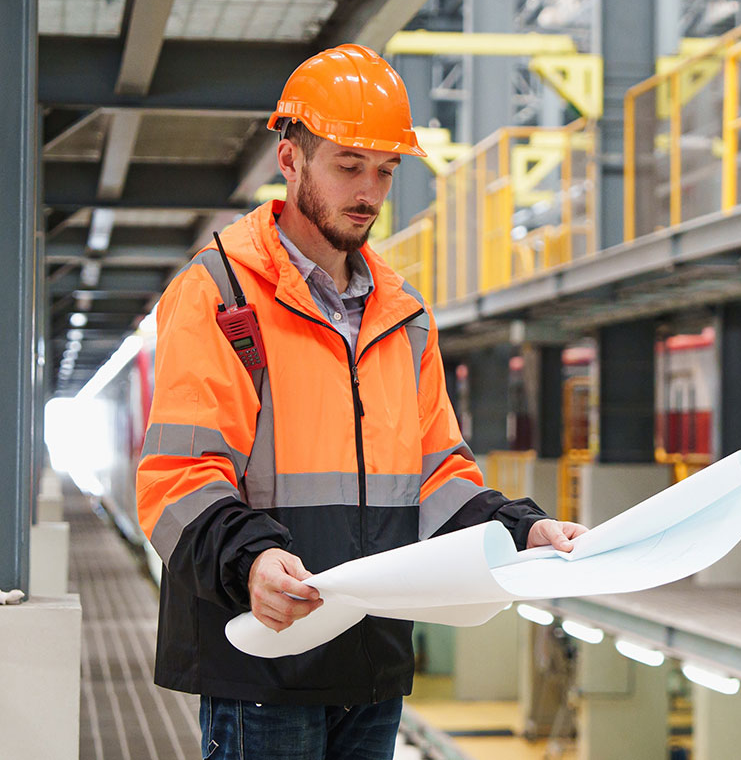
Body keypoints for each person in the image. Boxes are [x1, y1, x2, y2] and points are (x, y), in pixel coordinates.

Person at [136, 43, 586, 760]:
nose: (369, 191)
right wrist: (252, 562)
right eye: (348, 165)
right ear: (290, 160)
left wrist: (521, 530)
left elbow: (438, 477)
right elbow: (178, 480)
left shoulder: (403, 318)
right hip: (264, 657)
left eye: (385, 170)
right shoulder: (219, 294)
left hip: (372, 661)